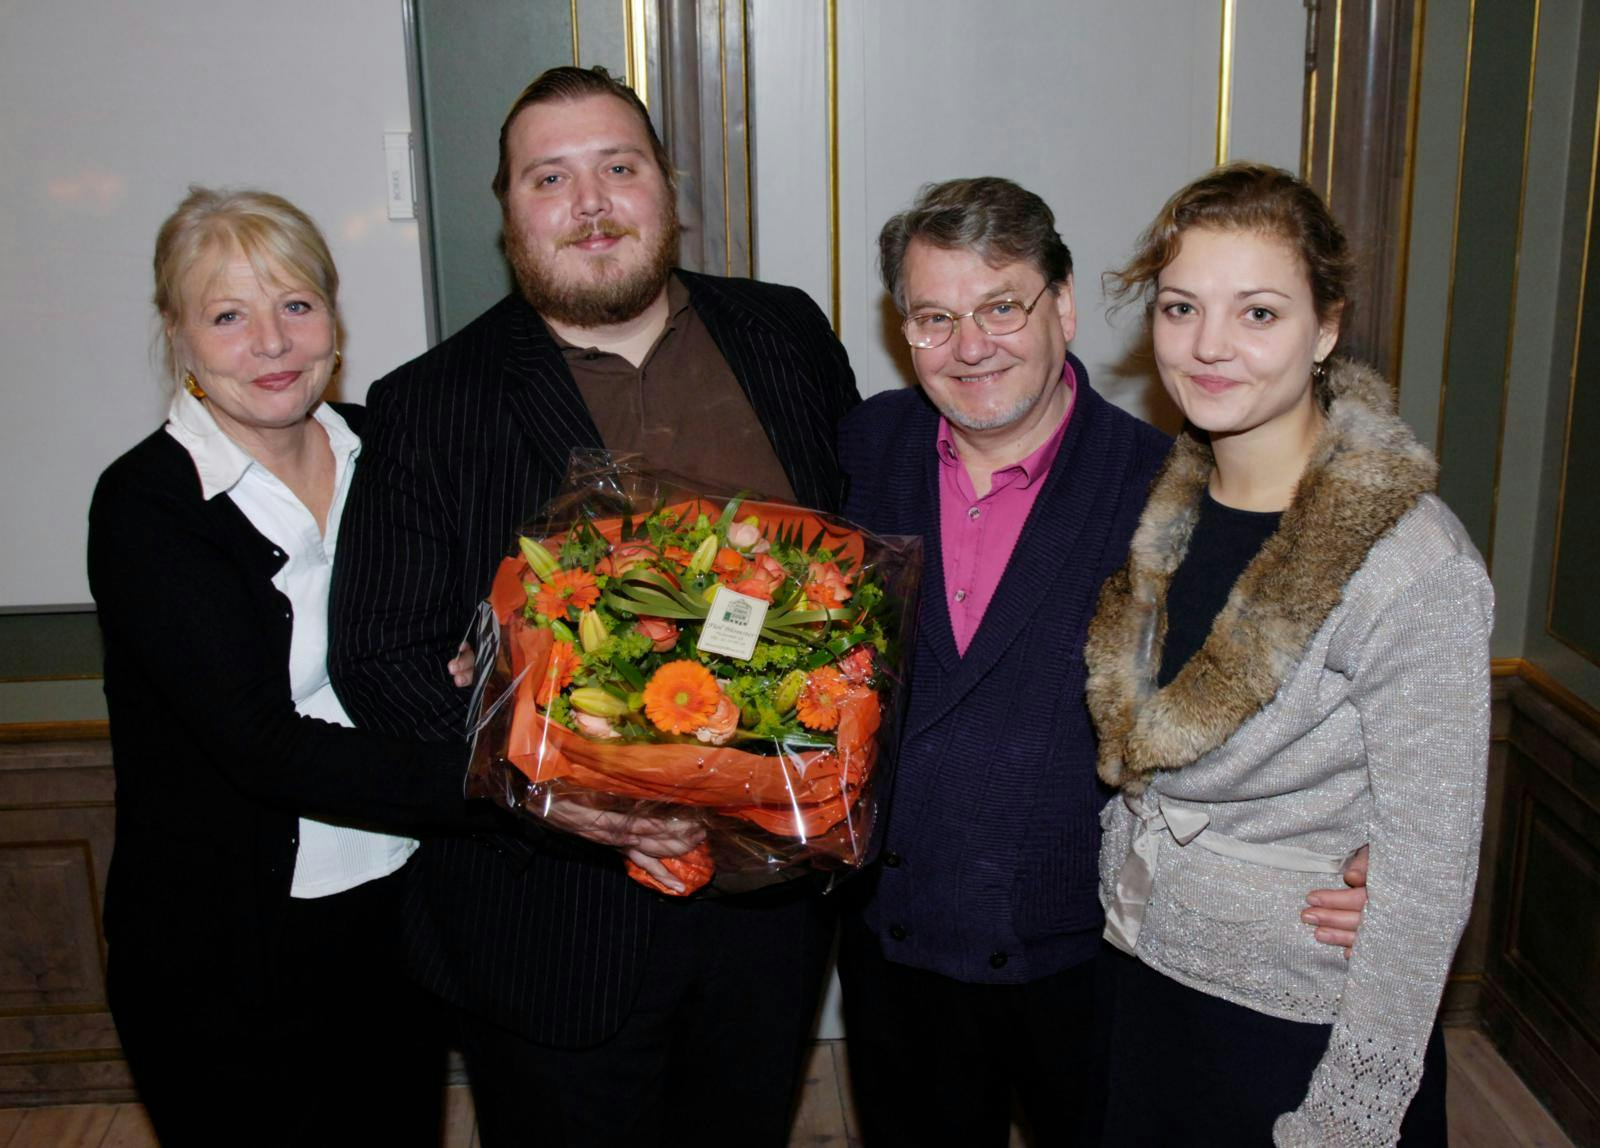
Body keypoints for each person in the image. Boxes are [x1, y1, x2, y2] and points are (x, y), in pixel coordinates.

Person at [327, 66, 859, 1147]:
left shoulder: (785, 331)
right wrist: (540, 786)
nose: (592, 203)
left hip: (772, 909)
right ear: (508, 213)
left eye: (620, 167)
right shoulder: (429, 402)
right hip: (556, 919)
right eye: (550, 178)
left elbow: (858, 565)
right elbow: (379, 658)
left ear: (667, 185)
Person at [834, 176, 1372, 1147]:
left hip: (1093, 959)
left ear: (1065, 305)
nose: (970, 345)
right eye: (934, 317)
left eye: (1002, 306)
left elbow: (1295, 683)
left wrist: (1372, 839)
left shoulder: (1168, 483)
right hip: (895, 942)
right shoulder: (862, 447)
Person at [1086, 162, 1491, 1145]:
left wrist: (1349, 1115)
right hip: (1144, 974)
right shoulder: (1165, 507)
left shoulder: (1410, 561)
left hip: (1299, 1017)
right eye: (1181, 307)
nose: (1209, 345)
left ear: (1326, 329)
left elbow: (1427, 870)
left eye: (1258, 312)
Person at [87, 187, 480, 1146]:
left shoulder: (391, 448)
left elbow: (473, 605)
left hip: (402, 908)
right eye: (228, 316)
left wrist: (487, 651)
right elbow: (261, 744)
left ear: (333, 318)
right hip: (227, 950)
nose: (271, 342)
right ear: (178, 336)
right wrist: (495, 779)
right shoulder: (147, 504)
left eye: (296, 305)